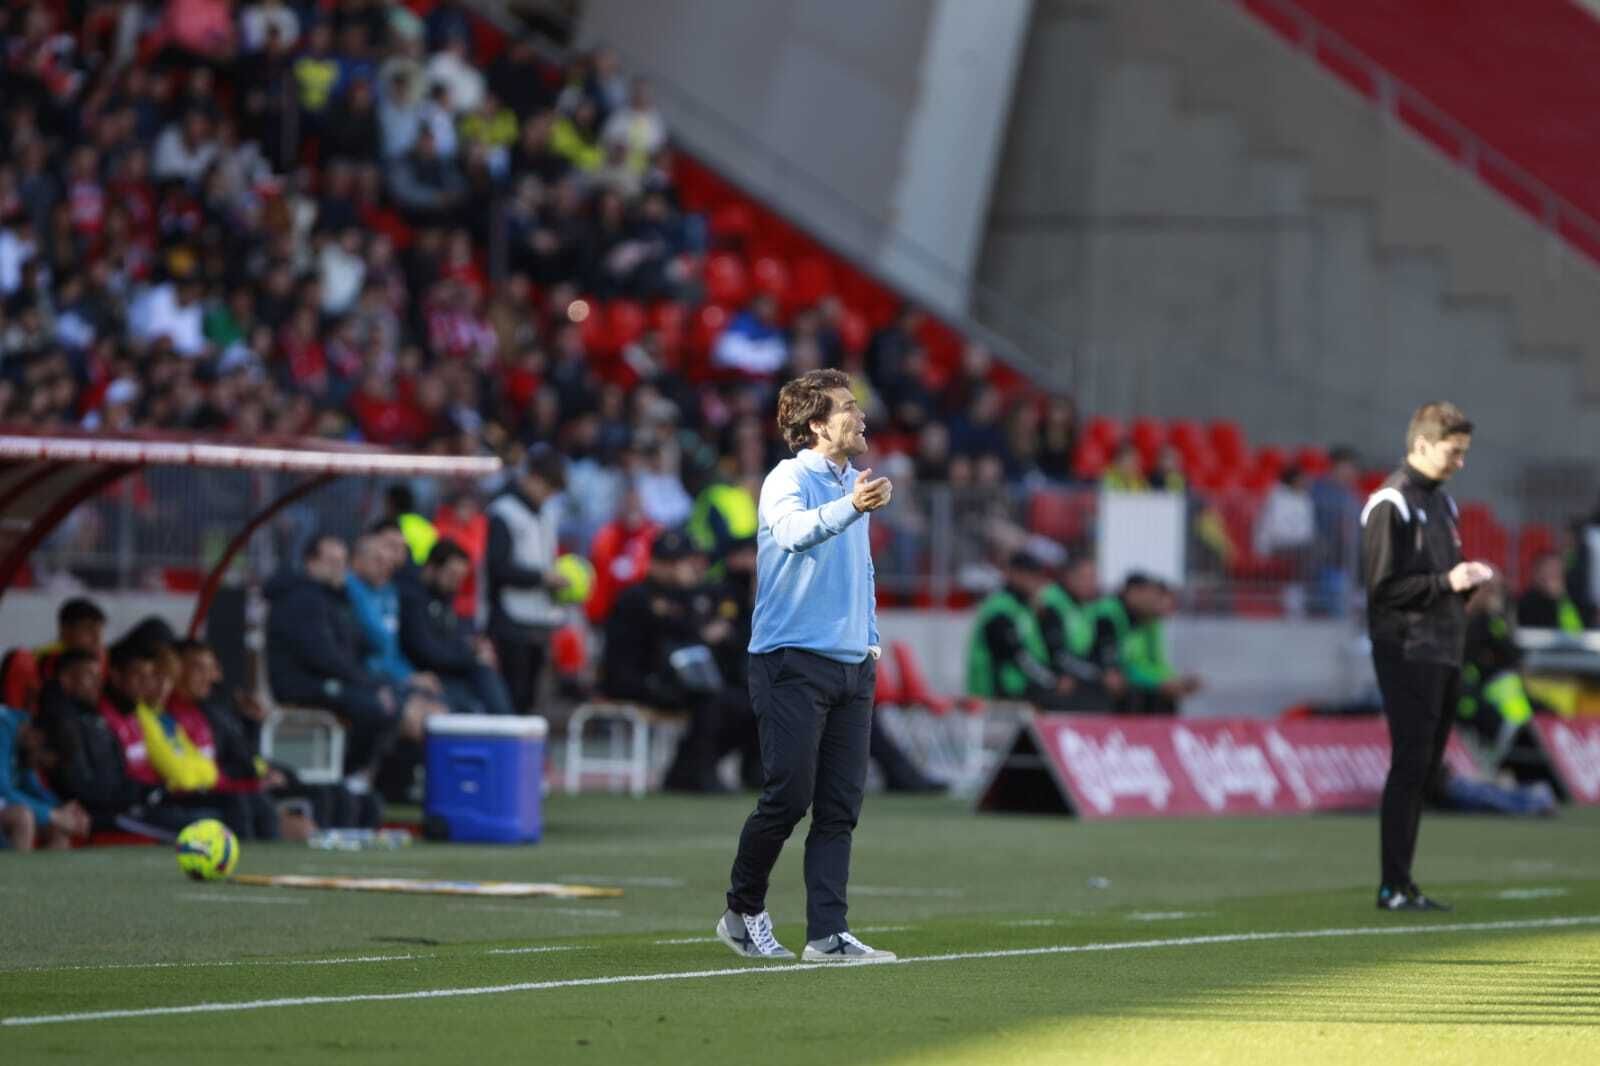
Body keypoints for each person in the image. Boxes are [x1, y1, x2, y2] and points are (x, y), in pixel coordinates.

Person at [719, 368, 897, 963]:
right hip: (791, 660)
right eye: (848, 406)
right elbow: (794, 534)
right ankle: (742, 909)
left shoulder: (853, 482)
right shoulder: (787, 477)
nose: (861, 414)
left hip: (852, 667)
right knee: (788, 798)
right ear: (817, 424)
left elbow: (858, 572)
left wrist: (869, 642)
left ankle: (827, 934)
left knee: (841, 808)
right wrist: (850, 505)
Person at [1361, 401, 1495, 912]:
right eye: (1453, 451)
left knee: (1427, 768)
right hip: (1406, 647)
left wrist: (1464, 586)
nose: (1460, 462)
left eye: (1463, 452)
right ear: (1421, 444)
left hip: (1444, 647)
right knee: (1411, 762)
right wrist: (1447, 582)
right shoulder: (1390, 503)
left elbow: (1441, 581)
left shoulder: (1444, 505)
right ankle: (1392, 884)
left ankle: (1404, 881)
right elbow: (1381, 589)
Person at [265, 534, 436, 784]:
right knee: (378, 707)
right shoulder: (301, 598)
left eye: (342, 562)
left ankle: (359, 776)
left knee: (395, 700)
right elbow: (322, 657)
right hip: (301, 684)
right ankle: (349, 774)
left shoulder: (334, 598)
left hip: (330, 679)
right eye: (331, 561)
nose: (339, 569)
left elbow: (362, 645)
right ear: (310, 562)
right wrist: (369, 685)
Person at [600, 531, 747, 792]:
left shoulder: (680, 596)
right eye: (674, 562)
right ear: (655, 563)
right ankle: (697, 775)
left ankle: (687, 770)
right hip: (634, 680)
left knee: (737, 702)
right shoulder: (638, 596)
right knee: (710, 699)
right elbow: (674, 631)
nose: (682, 567)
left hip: (664, 679)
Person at [485, 444, 570, 714]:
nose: (548, 496)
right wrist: (542, 578)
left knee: (530, 700)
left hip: (539, 619)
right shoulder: (503, 512)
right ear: (531, 477)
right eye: (547, 487)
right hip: (510, 619)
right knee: (512, 697)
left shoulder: (545, 515)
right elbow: (497, 568)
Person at [399, 539, 517, 717]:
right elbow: (426, 651)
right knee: (478, 673)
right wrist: (472, 656)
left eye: (461, 578)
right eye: (452, 575)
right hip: (425, 674)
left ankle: (506, 725)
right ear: (431, 568)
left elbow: (451, 638)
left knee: (484, 671)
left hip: (450, 673)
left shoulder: (444, 599)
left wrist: (472, 647)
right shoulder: (413, 600)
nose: (456, 583)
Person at [967, 552, 1092, 711]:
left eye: (1038, 576)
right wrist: (1053, 681)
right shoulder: (1000, 610)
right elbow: (1019, 657)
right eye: (1030, 576)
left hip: (1019, 689)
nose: (1036, 582)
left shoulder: (1023, 607)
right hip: (997, 695)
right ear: (1014, 574)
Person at [1087, 575, 1201, 714]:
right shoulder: (1109, 614)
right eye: (1154, 597)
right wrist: (1160, 683)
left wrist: (1173, 680)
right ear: (1134, 593)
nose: (1164, 606)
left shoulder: (1148, 622)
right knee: (1129, 691)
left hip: (1117, 675)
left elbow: (1154, 663)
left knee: (1163, 695)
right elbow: (1119, 665)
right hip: (1091, 673)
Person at [1034, 555, 1122, 709]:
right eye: (1085, 577)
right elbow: (1056, 653)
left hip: (1077, 672)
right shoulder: (1051, 603)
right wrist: (1099, 674)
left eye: (1094, 577)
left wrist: (1109, 670)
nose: (1091, 583)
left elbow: (1102, 645)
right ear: (1069, 577)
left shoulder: (1093, 605)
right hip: (1051, 675)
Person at [0, 702, 90, 850]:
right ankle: (18, 873)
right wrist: (53, 815)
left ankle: (43, 874)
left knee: (59, 828)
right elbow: (2, 791)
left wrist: (63, 810)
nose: (37, 768)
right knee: (22, 818)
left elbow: (32, 788)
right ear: (36, 738)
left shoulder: (24, 734)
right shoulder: (3, 727)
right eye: (40, 762)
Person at [1517, 551, 1593, 632]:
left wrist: (1561, 599)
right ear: (1536, 575)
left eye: (1556, 571)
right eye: (1548, 571)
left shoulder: (1577, 601)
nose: (1552, 576)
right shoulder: (1525, 604)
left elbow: (1576, 631)